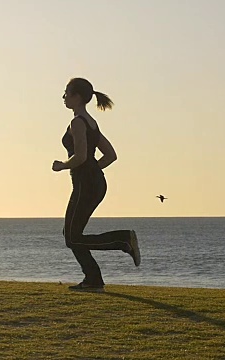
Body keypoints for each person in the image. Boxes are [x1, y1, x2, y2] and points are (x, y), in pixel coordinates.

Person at [52, 77, 140, 293]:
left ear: (77, 96)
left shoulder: (78, 122)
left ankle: (123, 239)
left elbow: (81, 156)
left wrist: (62, 165)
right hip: (94, 183)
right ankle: (93, 280)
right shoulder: (91, 123)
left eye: (67, 93)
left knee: (72, 237)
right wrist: (94, 170)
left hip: (86, 184)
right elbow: (110, 155)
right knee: (72, 235)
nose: (63, 97)